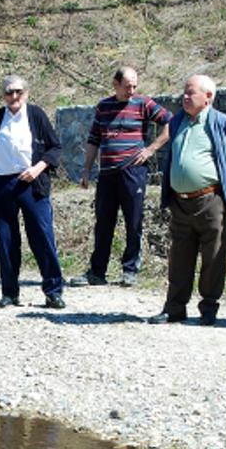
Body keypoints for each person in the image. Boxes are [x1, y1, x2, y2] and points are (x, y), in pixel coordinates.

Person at [149, 75, 226, 326]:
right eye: (184, 92)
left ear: (208, 97)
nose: (184, 97)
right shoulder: (177, 122)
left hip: (210, 201)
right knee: (179, 257)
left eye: (191, 93)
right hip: (180, 202)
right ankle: (174, 308)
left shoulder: (224, 124)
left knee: (213, 256)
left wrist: (223, 186)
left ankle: (208, 309)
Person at [71, 65, 172, 288]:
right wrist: (87, 169)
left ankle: (130, 270)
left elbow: (170, 122)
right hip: (107, 174)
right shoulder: (103, 107)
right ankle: (97, 272)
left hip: (133, 172)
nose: (132, 90)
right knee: (103, 222)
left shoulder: (143, 104)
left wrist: (151, 149)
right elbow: (94, 139)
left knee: (133, 221)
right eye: (127, 86)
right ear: (115, 84)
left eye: (135, 86)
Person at [0, 74, 66, 309]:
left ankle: (53, 291)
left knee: (42, 236)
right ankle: (10, 292)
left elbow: (55, 147)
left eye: (18, 91)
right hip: (4, 184)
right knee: (6, 239)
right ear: (3, 96)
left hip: (32, 183)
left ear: (26, 93)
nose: (14, 96)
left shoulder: (36, 115)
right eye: (9, 92)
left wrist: (37, 169)